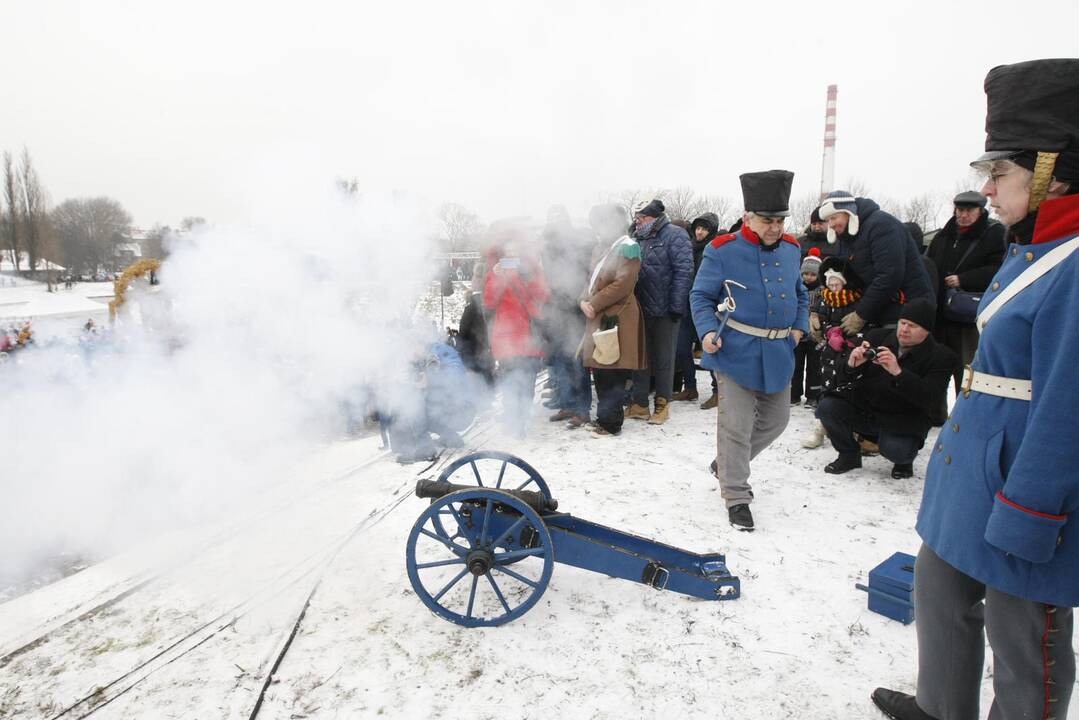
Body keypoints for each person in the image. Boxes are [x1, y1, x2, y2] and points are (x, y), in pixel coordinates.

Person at [872, 58, 1079, 720]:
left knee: (1022, 644)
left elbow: (1064, 408)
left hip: (1026, 484)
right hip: (977, 474)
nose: (987, 189)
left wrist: (1032, 513)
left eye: (1000, 172)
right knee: (937, 596)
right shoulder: (1034, 247)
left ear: (1053, 170)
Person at [689, 170, 808, 531]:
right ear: (748, 218)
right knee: (736, 428)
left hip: (779, 349)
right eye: (767, 220)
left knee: (777, 421)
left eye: (779, 220)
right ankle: (736, 494)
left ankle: (726, 464)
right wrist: (708, 331)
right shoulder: (721, 249)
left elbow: (801, 293)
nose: (775, 227)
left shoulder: (792, 248)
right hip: (735, 349)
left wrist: (800, 328)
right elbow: (700, 296)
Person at [816, 298, 957, 479]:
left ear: (927, 331)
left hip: (904, 419)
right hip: (868, 408)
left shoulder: (942, 357)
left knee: (897, 450)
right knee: (828, 407)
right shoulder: (878, 337)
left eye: (912, 326)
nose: (905, 330)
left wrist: (898, 372)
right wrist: (851, 364)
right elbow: (843, 378)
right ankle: (848, 454)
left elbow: (930, 397)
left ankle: (904, 461)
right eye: (903, 323)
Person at [923, 190, 1007, 393]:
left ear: (980, 211)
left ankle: (965, 417)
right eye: (959, 210)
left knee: (966, 368)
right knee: (936, 367)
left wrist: (965, 279)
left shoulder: (994, 234)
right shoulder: (943, 235)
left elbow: (999, 269)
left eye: (969, 210)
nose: (963, 215)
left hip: (967, 315)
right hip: (940, 314)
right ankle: (936, 416)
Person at [816, 191, 933, 333]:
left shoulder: (882, 226)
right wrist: (819, 310)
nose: (831, 224)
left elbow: (889, 276)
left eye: (834, 217)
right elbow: (848, 279)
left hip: (906, 309)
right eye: (828, 220)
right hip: (880, 307)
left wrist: (861, 315)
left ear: (848, 213)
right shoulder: (846, 237)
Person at [578, 204, 646, 436]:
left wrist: (593, 303)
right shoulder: (601, 248)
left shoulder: (629, 247)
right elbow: (591, 281)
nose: (598, 230)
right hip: (599, 313)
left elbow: (622, 285)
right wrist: (582, 300)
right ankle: (604, 417)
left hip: (617, 315)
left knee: (611, 369)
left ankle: (610, 421)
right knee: (601, 368)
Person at [626, 199, 693, 425]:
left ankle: (662, 404)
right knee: (640, 357)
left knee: (664, 358)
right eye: (637, 217)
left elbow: (684, 271)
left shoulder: (674, 235)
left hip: (665, 309)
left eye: (642, 217)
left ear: (654, 217)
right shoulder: (636, 237)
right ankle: (639, 403)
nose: (638, 221)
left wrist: (676, 305)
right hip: (639, 307)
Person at [483, 222, 550, 438]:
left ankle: (520, 421)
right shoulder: (495, 272)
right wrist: (497, 276)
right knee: (511, 382)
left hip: (528, 336)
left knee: (527, 382)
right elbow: (489, 302)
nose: (511, 255)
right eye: (508, 252)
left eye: (515, 251)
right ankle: (513, 421)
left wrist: (529, 275)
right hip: (506, 337)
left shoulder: (531, 270)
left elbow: (543, 296)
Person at [540, 206, 594, 426]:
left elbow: (585, 274)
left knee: (577, 362)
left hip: (575, 309)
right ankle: (567, 404)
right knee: (561, 362)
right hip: (555, 310)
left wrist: (579, 299)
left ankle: (582, 409)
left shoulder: (579, 243)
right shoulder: (546, 245)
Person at [673, 212, 719, 403]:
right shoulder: (688, 247)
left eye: (704, 228)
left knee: (710, 349)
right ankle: (690, 387)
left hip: (706, 307)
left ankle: (717, 391)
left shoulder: (715, 249)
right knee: (683, 347)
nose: (700, 232)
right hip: (686, 304)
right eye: (698, 228)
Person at [791, 251, 823, 407]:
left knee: (814, 366)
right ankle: (793, 394)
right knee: (795, 365)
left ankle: (813, 394)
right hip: (799, 334)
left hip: (815, 336)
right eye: (805, 274)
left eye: (812, 274)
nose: (808, 277)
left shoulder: (822, 291)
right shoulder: (796, 288)